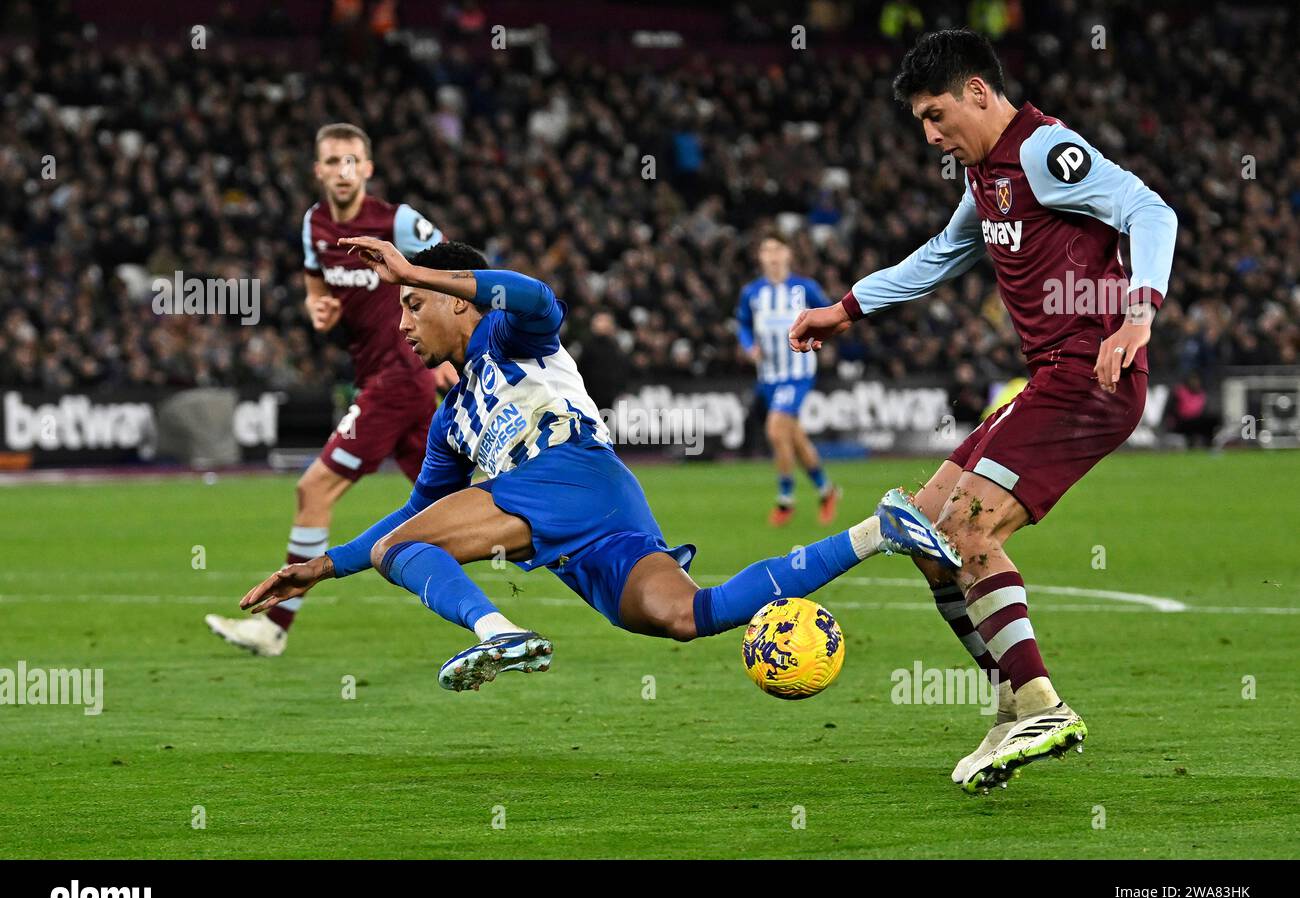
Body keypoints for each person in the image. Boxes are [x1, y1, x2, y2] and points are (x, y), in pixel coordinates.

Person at [237, 238, 961, 692]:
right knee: (688, 615)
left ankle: (499, 635)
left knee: (406, 550)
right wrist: (324, 565)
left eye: (414, 302)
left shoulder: (505, 334)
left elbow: (539, 296)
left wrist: (420, 268)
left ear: (458, 301)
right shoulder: (451, 422)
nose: (401, 322)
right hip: (598, 510)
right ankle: (880, 531)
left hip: (568, 473)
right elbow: (411, 516)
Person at [789, 29, 1177, 792]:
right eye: (921, 124)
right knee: (928, 533)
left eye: (937, 116)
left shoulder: (1044, 152)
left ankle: (1041, 705)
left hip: (1093, 373)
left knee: (968, 527)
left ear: (978, 91)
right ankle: (1011, 698)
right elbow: (942, 253)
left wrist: (1139, 314)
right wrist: (846, 309)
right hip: (1049, 378)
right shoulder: (986, 174)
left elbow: (1150, 211)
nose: (932, 136)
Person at [204, 123, 454, 656]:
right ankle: (559, 551)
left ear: (366, 168)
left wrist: (446, 345)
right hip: (381, 377)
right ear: (318, 170)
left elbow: (451, 271)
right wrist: (316, 308)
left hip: (398, 377)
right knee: (449, 504)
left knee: (313, 490)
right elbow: (316, 285)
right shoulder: (314, 225)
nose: (342, 170)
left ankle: (274, 628)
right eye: (332, 161)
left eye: (352, 161)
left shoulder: (398, 222)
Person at [735, 232, 840, 525]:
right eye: (766, 250)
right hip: (768, 376)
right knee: (793, 437)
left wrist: (819, 338)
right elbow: (742, 324)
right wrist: (748, 346)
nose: (772, 256)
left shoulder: (805, 288)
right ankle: (826, 490)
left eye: (777, 249)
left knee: (775, 429)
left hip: (798, 373)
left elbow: (832, 314)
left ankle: (785, 499)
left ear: (788, 254)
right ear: (760, 257)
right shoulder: (752, 293)